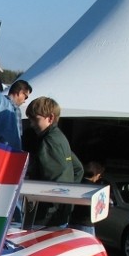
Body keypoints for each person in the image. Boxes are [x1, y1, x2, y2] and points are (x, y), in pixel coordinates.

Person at [25, 96, 83, 226]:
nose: (32, 124)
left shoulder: (49, 141)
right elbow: (78, 168)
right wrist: (68, 198)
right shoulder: (61, 138)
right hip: (61, 212)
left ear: (50, 118)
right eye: (30, 119)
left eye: (35, 119)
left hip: (48, 215)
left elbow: (51, 181)